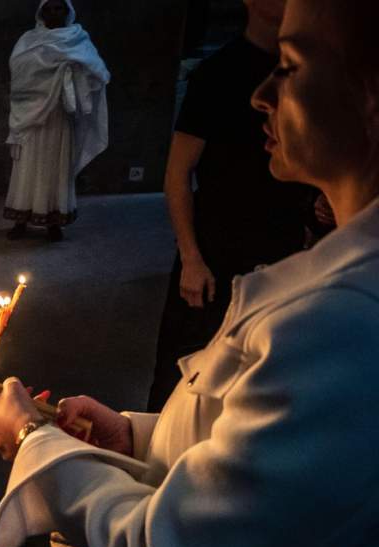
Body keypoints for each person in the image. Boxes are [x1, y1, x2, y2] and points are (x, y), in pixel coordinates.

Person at [0, 1, 379, 547]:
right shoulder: (341, 285)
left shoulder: (342, 321)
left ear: (370, 93)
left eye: (289, 68)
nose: (261, 96)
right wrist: (133, 434)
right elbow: (270, 462)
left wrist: (36, 441)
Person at [147, 0, 315, 411]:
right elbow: (177, 174)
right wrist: (191, 257)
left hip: (281, 244)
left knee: (261, 372)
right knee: (188, 371)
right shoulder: (216, 75)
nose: (265, 100)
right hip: (217, 246)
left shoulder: (313, 76)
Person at [4, 0, 109, 242]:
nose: (54, 13)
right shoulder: (28, 41)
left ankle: (54, 221)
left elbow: (98, 73)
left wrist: (72, 70)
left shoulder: (78, 39)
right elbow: (19, 72)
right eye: (49, 8)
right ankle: (20, 219)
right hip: (32, 117)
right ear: (41, 12)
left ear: (68, 11)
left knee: (56, 167)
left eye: (59, 8)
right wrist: (51, 73)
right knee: (28, 167)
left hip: (60, 116)